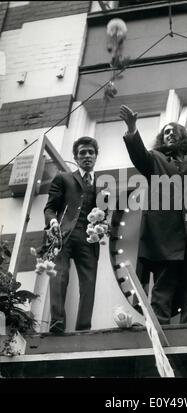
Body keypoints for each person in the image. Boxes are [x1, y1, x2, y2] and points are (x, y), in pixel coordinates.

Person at [120, 105, 187, 325]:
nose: (170, 133)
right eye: (166, 132)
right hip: (165, 239)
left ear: (183, 135)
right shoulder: (155, 159)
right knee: (162, 294)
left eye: (174, 130)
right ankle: (159, 344)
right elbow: (139, 155)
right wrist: (132, 128)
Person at [44, 136, 100, 333]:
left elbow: (104, 213)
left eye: (90, 152)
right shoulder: (63, 178)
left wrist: (102, 227)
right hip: (63, 235)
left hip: (88, 239)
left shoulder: (102, 184)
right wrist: (52, 223)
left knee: (89, 282)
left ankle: (83, 328)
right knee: (59, 277)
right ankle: (57, 323)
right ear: (76, 158)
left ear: (95, 157)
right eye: (82, 153)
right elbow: (49, 208)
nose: (87, 156)